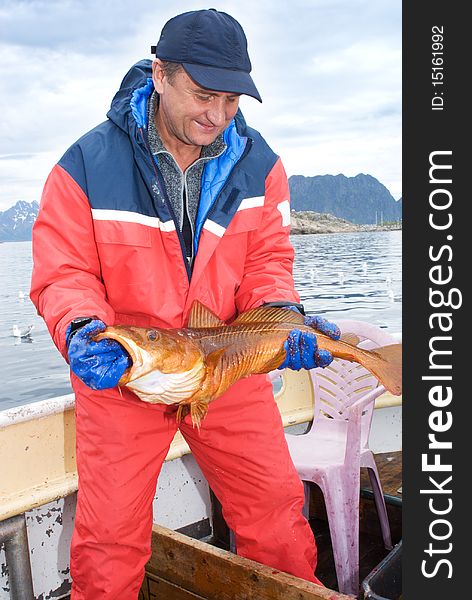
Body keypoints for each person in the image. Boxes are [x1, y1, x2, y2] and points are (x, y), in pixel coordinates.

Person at [30, 9, 340, 599]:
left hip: (226, 363)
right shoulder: (84, 165)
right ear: (160, 74)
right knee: (110, 539)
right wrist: (81, 329)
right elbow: (63, 271)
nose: (217, 115)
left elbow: (268, 262)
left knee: (276, 514)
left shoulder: (261, 165)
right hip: (129, 373)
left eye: (231, 100)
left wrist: (283, 318)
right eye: (202, 95)